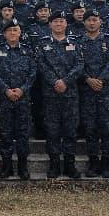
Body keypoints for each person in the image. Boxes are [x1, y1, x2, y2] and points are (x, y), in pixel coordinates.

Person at [36, 11, 84, 179]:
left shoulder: (75, 42)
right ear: (50, 24)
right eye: (55, 21)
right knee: (52, 131)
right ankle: (54, 164)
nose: (58, 24)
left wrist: (65, 81)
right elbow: (41, 64)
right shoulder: (43, 43)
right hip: (51, 94)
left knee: (70, 131)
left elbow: (80, 64)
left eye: (61, 21)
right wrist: (55, 81)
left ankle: (70, 165)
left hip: (70, 94)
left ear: (66, 24)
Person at [0, 18, 37, 180]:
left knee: (23, 134)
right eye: (9, 30)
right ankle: (7, 166)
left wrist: (22, 89)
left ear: (20, 33)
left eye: (15, 30)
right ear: (4, 33)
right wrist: (6, 90)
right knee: (5, 133)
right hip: (5, 99)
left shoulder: (28, 51)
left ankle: (22, 167)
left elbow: (33, 73)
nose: (12, 33)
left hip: (23, 99)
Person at [78, 10, 109, 178]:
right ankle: (93, 163)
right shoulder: (78, 42)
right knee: (90, 128)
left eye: (95, 20)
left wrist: (100, 79)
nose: (92, 23)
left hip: (105, 90)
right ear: (84, 23)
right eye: (89, 20)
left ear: (100, 21)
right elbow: (77, 63)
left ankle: (106, 163)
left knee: (107, 128)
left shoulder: (108, 40)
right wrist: (88, 79)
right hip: (86, 90)